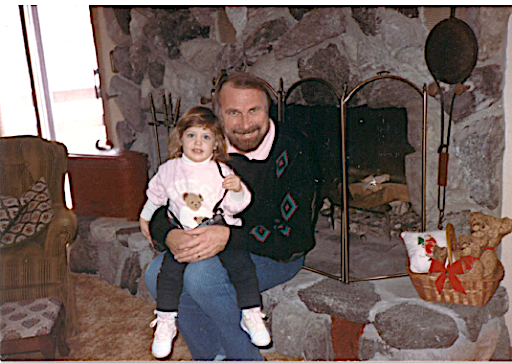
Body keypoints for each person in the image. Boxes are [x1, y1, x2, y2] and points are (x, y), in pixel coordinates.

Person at [145, 72, 320, 361]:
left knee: (202, 278)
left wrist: (228, 236)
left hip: (276, 253)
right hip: (213, 243)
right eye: (233, 113)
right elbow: (164, 201)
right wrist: (170, 234)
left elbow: (297, 238)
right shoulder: (204, 148)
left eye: (255, 110)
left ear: (269, 110)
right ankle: (211, 356)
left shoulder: (295, 151)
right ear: (219, 115)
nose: (245, 123)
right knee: (154, 274)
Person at [140, 106, 270, 359]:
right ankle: (166, 321)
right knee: (168, 273)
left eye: (206, 137)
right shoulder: (169, 170)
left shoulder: (221, 170)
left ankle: (251, 312)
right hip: (184, 233)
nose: (198, 142)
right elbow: (155, 198)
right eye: (192, 136)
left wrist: (237, 190)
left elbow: (238, 206)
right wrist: (144, 219)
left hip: (219, 229)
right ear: (181, 139)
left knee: (241, 266)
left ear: (216, 144)